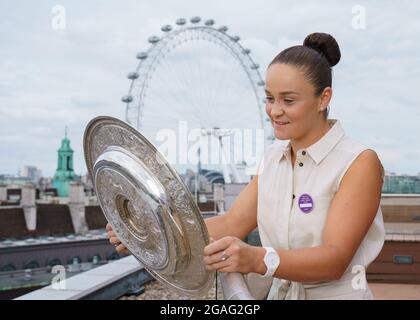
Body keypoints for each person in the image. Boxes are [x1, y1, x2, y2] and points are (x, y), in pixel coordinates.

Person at [107, 32, 385, 300]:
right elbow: (233, 223)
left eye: (288, 100)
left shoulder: (358, 162)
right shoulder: (272, 158)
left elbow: (335, 259)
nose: (275, 111)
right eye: (269, 98)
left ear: (323, 98)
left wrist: (257, 258)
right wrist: (147, 231)